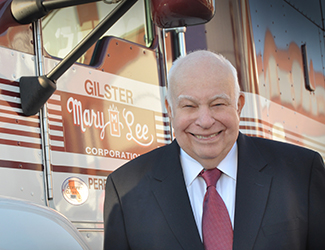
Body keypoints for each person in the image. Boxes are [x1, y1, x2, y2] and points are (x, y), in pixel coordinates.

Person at [103, 50, 325, 250]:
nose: (205, 121)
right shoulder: (124, 191)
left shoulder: (301, 173)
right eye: (189, 106)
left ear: (238, 105)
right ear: (170, 109)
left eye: (218, 104)